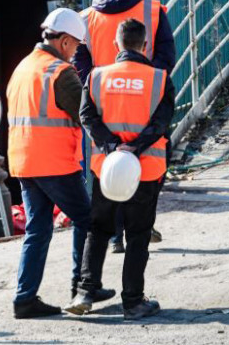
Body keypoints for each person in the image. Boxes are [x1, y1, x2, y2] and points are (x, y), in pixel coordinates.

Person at [6, 8, 115, 319]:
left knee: (37, 229)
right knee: (88, 221)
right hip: (54, 162)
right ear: (65, 41)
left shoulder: (23, 67)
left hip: (24, 162)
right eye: (77, 46)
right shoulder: (59, 72)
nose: (76, 52)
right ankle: (83, 287)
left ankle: (24, 299)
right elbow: (85, 112)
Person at [70, 19, 175, 320]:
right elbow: (162, 122)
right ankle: (133, 302)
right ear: (145, 46)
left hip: (107, 169)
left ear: (117, 45)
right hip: (146, 170)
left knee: (99, 229)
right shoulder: (159, 79)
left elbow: (86, 116)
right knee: (138, 234)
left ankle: (85, 292)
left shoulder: (96, 76)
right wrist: (135, 147)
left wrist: (111, 146)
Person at [73, 0, 175, 252]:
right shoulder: (152, 10)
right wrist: (149, 83)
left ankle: (116, 235)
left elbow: (80, 61)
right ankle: (140, 226)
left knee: (108, 165)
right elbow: (167, 55)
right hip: (144, 99)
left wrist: (95, 85)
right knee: (151, 161)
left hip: (103, 102)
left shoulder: (87, 17)